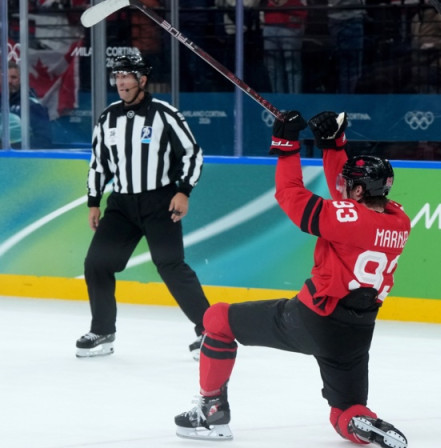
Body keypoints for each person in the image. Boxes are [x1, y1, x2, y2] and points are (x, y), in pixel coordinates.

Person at [173, 110, 410, 448]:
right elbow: (348, 198)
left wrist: (286, 147)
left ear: (357, 190)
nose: (341, 187)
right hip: (356, 333)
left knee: (217, 319)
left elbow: (290, 195)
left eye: (348, 184)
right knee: (344, 410)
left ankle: (210, 411)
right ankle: (359, 422)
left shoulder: (345, 219)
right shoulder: (399, 219)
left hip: (312, 319)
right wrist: (333, 146)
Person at [76, 53, 210, 360]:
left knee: (171, 266)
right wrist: (94, 202)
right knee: (97, 263)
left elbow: (192, 154)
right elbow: (99, 164)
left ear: (142, 80)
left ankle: (211, 332)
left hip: (159, 202)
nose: (121, 82)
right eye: (117, 76)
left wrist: (184, 191)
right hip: (121, 205)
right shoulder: (107, 117)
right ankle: (102, 331)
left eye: (127, 76)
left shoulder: (165, 114)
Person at [4, 61, 53, 149]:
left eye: (13, 77)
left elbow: (44, 141)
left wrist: (12, 149)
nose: (9, 81)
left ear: (21, 80)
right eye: (5, 77)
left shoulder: (32, 106)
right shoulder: (2, 103)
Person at [262, 0, 308, 93]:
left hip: (291, 25)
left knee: (292, 67)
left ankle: (294, 102)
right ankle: (277, 102)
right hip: (270, 24)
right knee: (272, 67)